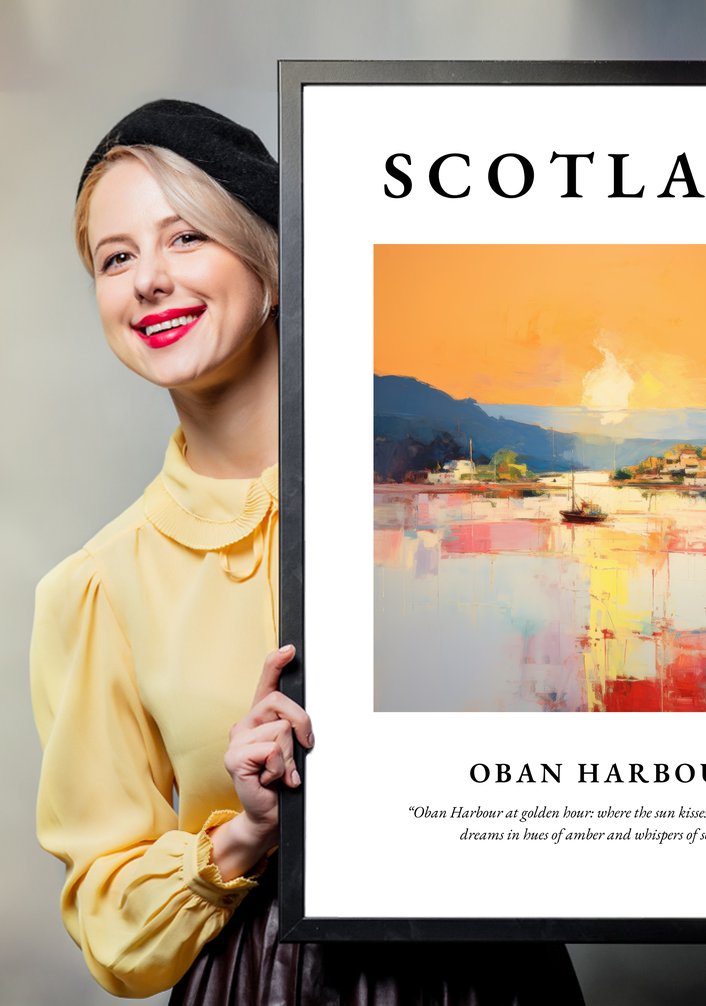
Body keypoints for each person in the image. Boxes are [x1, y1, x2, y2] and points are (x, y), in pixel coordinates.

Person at [30, 100, 585, 1004]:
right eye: (116, 257)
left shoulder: (444, 505)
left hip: (492, 972)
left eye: (186, 238)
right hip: (263, 982)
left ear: (273, 264)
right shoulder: (97, 587)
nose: (148, 281)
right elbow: (110, 923)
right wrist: (245, 832)